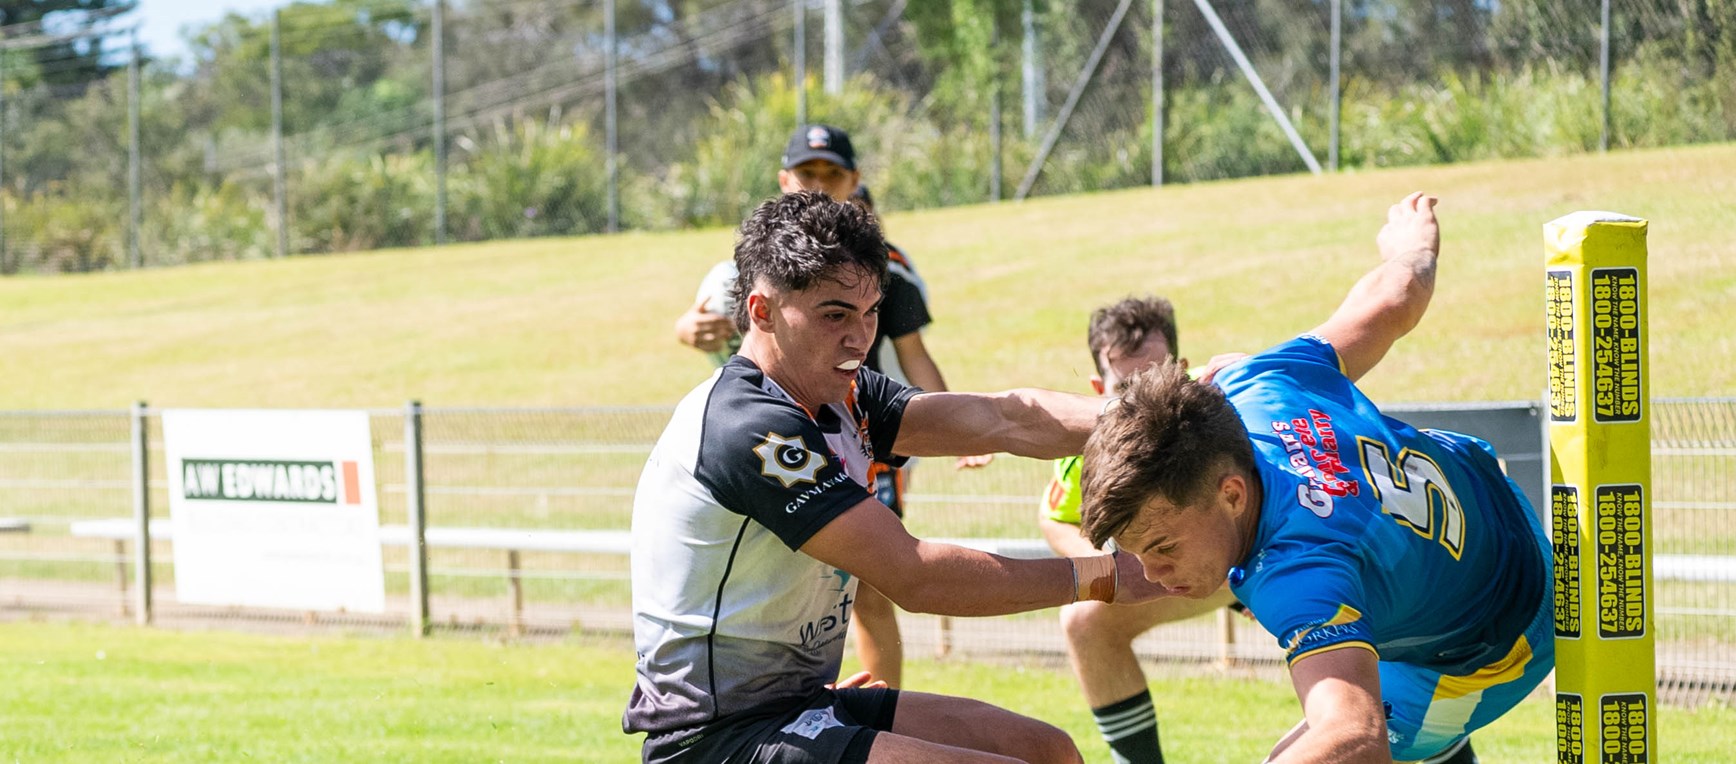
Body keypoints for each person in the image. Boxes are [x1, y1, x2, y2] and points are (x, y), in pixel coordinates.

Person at [625, 191, 1167, 763]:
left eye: (870, 312)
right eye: (834, 315)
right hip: (715, 739)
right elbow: (914, 577)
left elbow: (1002, 418)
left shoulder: (840, 394)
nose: (860, 339)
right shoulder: (752, 428)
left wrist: (1164, 415)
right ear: (761, 313)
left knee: (1046, 750)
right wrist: (1104, 575)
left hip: (795, 702)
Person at [1078, 193, 1551, 764]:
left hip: (1505, 636)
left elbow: (1354, 736)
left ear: (1231, 493)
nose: (1148, 574)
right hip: (1492, 502)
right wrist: (1412, 249)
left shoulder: (1295, 574)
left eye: (1162, 546)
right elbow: (1393, 297)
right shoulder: (1254, 383)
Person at [670, 124, 973, 688]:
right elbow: (696, 320)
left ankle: (878, 715)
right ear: (784, 179)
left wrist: (949, 420)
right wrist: (690, 327)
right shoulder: (748, 264)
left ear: (855, 181)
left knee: (871, 586)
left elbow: (914, 354)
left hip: (860, 436)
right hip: (767, 441)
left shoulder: (890, 266)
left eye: (832, 174)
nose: (819, 184)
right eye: (807, 173)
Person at [1038, 296, 1237, 764]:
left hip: (1271, 554)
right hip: (1201, 569)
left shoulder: (1224, 389)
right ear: (1096, 386)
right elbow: (1055, 517)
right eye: (1126, 385)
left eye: (1156, 374)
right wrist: (1108, 568)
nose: (1144, 394)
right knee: (1084, 620)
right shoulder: (1092, 439)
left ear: (1182, 366)